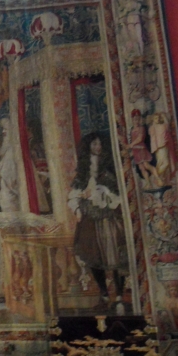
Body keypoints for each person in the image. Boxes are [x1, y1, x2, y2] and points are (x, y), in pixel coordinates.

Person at [68, 133, 128, 314]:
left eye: (100, 144)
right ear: (88, 146)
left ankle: (119, 296)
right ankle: (104, 294)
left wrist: (105, 192)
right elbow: (74, 194)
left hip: (109, 215)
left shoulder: (110, 166)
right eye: (94, 144)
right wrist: (78, 209)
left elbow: (118, 191)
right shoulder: (83, 170)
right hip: (90, 217)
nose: (98, 147)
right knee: (93, 256)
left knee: (115, 256)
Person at [127, 109, 155, 184]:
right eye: (135, 119)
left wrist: (131, 145)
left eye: (138, 119)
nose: (136, 121)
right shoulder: (132, 129)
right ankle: (148, 183)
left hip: (141, 149)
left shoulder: (141, 128)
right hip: (136, 151)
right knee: (141, 168)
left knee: (146, 165)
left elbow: (140, 138)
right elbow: (132, 139)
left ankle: (157, 177)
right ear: (132, 120)